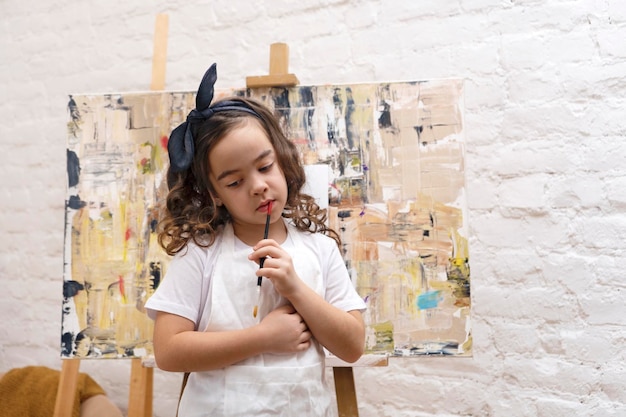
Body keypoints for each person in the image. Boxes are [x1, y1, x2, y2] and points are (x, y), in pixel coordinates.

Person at [145, 63, 366, 416]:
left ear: (281, 160)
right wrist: (263, 338)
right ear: (214, 193)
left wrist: (295, 289)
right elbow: (169, 352)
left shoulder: (319, 249)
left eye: (264, 167)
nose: (258, 186)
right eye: (234, 182)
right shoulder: (202, 253)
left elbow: (353, 345)